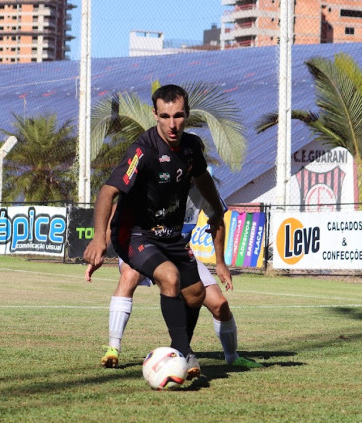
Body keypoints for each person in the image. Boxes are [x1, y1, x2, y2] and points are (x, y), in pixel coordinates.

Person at [83, 84, 229, 380]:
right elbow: (107, 192)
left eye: (178, 116)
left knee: (196, 292)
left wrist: (215, 209)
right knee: (169, 277)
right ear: (155, 115)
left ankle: (180, 351)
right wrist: (100, 238)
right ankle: (182, 353)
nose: (172, 124)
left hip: (171, 236)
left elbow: (204, 184)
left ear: (187, 114)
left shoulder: (191, 148)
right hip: (133, 233)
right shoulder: (143, 150)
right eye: (165, 116)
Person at [88, 256, 264, 370]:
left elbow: (217, 219)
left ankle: (232, 358)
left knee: (220, 304)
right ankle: (113, 348)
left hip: (177, 250)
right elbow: (115, 212)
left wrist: (220, 262)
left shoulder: (203, 197)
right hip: (141, 246)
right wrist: (100, 246)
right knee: (129, 276)